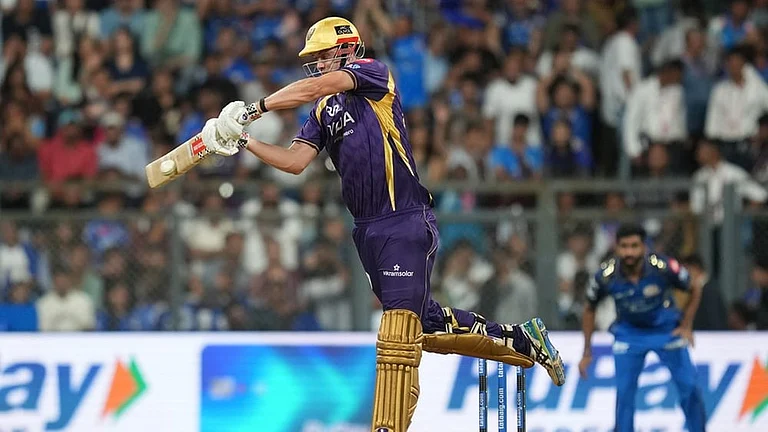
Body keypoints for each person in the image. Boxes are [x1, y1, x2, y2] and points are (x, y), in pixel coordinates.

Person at [193, 16, 565, 431]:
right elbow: (295, 162)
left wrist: (251, 111)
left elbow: (318, 86)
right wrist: (242, 143)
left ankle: (387, 427)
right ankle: (521, 337)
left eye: (321, 56)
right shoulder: (323, 111)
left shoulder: (374, 74)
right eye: (312, 59)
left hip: (403, 219)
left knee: (395, 334)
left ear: (347, 48)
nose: (316, 65)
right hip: (367, 231)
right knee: (420, 324)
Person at [578, 223, 706, 432]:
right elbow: (589, 308)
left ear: (644, 247)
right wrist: (586, 352)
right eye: (624, 246)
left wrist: (686, 324)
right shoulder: (605, 276)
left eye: (634, 246)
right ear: (617, 248)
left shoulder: (662, 266)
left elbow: (694, 287)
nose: (629, 252)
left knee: (690, 387)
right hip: (629, 334)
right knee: (625, 394)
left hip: (666, 330)